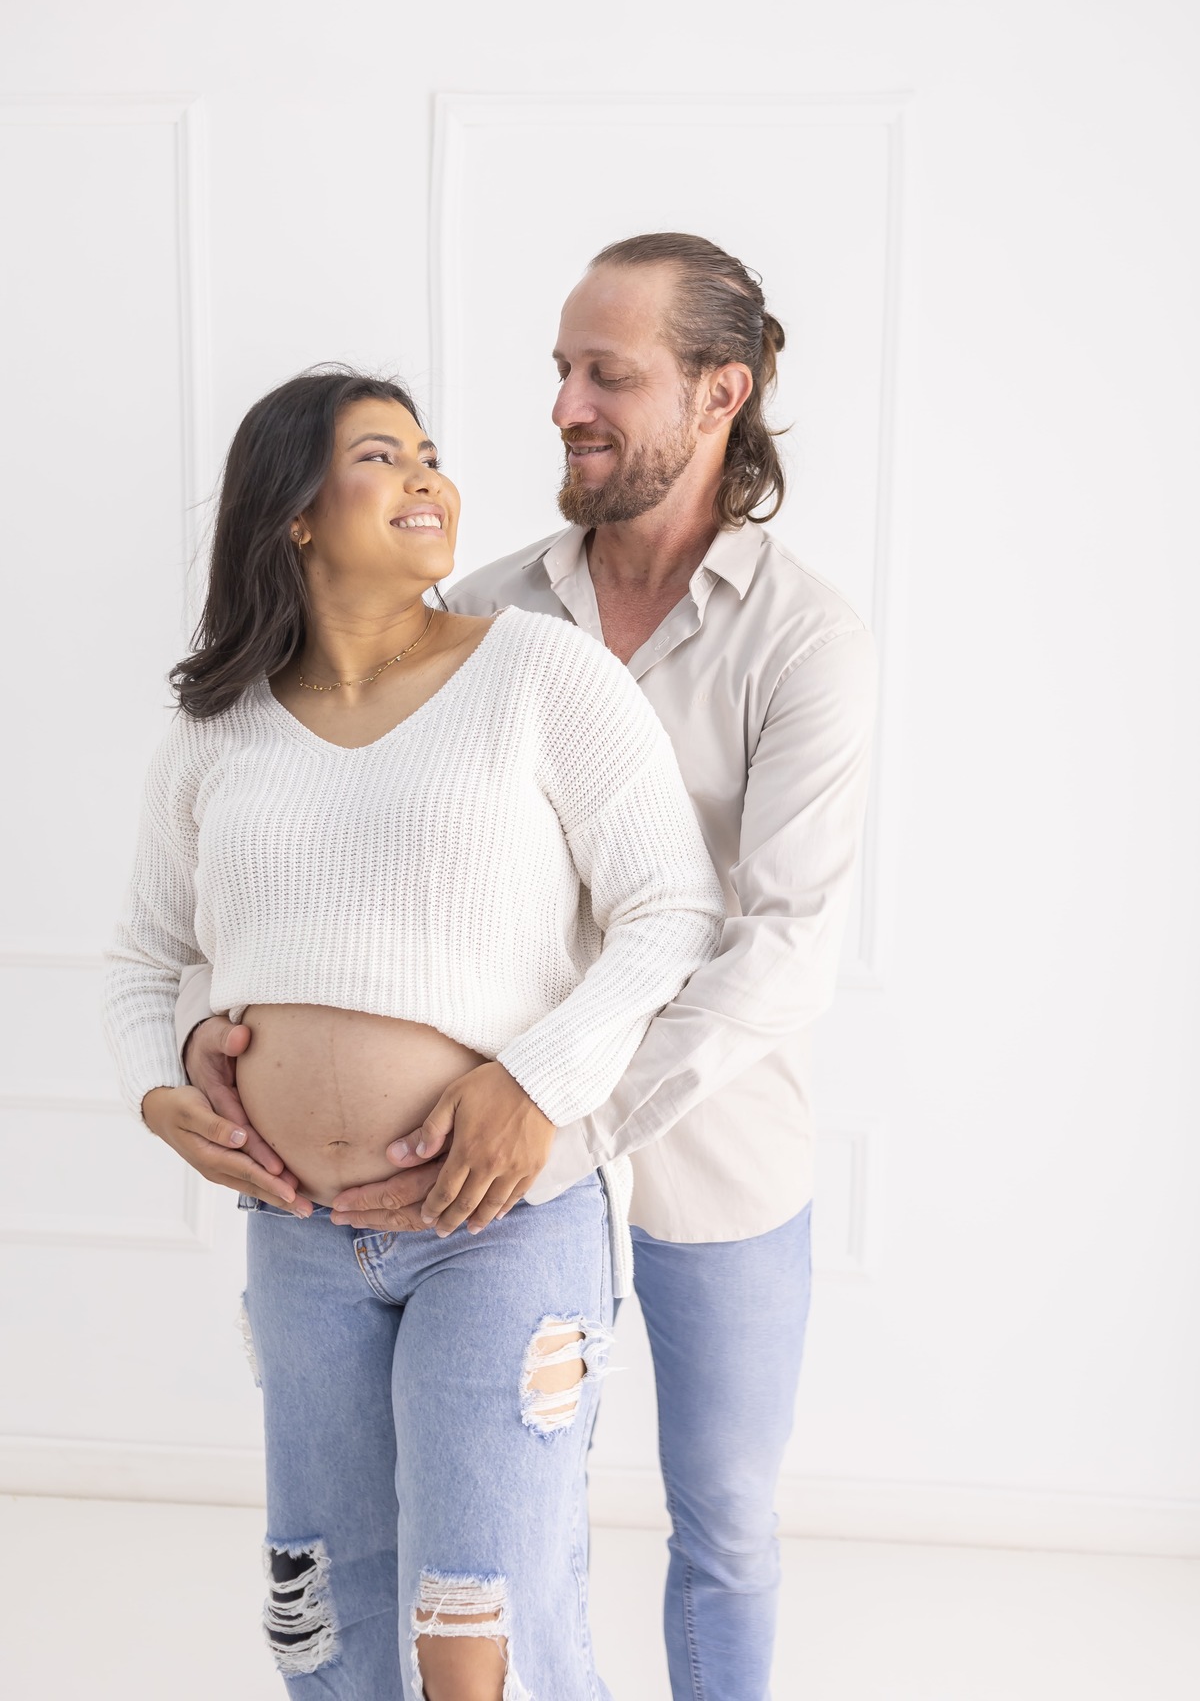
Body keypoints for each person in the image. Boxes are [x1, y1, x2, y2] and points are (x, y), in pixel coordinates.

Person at [181, 233, 878, 1701]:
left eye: (607, 374)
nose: (565, 403)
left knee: (726, 1520)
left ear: (718, 395)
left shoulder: (801, 637)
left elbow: (784, 940)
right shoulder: (488, 609)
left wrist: (559, 1114)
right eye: (560, 370)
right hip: (445, 1171)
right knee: (489, 1548)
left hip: (695, 1143)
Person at [104, 367, 724, 1700]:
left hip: (505, 1226)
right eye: (383, 457)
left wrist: (534, 1085)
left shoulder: (539, 674)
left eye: (433, 455)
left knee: (479, 1625)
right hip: (301, 1240)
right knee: (324, 1613)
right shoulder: (218, 722)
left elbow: (673, 911)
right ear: (295, 516)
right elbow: (147, 956)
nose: (432, 479)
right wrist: (161, 1088)